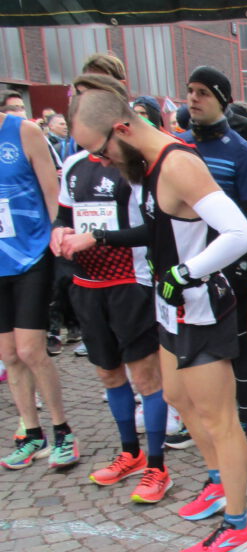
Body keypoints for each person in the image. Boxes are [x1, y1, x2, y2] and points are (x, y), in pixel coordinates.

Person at [69, 81, 247, 552]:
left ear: (122, 129)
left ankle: (239, 525)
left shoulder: (178, 163)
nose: (101, 162)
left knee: (221, 419)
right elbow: (159, 232)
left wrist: (186, 272)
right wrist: (101, 238)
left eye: (100, 150)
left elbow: (241, 233)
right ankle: (217, 484)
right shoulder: (147, 166)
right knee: (176, 397)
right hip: (169, 306)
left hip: (200, 309)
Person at [50, 132, 171, 502]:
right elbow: (63, 215)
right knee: (108, 373)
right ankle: (130, 453)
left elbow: (152, 230)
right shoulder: (73, 164)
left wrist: (99, 238)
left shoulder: (133, 167)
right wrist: (58, 231)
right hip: (87, 286)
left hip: (129, 284)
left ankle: (157, 466)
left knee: (146, 377)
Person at [178, 66, 247, 454]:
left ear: (222, 100)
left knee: (240, 348)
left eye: (203, 93)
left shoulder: (241, 152)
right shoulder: (176, 147)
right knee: (193, 348)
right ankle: (201, 418)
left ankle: (243, 422)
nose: (194, 99)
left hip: (229, 267)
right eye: (190, 91)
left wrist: (244, 271)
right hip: (184, 266)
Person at [0, 104, 79, 470]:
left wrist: (58, 242)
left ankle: (63, 431)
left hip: (30, 256)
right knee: (10, 354)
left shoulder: (24, 132)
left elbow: (52, 194)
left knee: (31, 349)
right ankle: (32, 433)